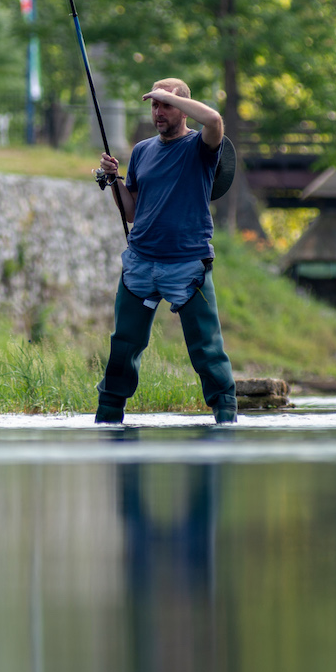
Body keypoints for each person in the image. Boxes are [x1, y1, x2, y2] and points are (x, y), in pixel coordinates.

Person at [94, 78, 237, 425]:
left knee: (207, 350)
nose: (157, 111)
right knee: (124, 346)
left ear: (183, 109)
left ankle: (227, 419)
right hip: (140, 263)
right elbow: (131, 211)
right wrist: (113, 179)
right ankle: (109, 418)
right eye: (154, 105)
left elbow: (215, 121)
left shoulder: (201, 146)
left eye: (165, 104)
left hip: (187, 266)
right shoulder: (142, 150)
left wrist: (166, 93)